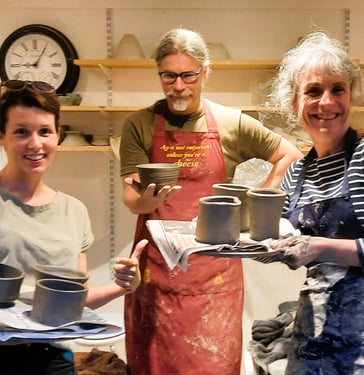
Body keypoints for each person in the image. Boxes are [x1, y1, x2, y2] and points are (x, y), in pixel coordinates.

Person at [119, 28, 302, 375]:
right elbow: (132, 201)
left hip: (214, 278)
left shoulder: (229, 122)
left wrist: (260, 199)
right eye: (168, 75)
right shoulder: (139, 125)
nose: (178, 86)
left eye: (189, 75)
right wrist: (148, 199)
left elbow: (289, 154)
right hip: (157, 272)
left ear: (205, 72)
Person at [0, 79, 148, 375]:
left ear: (58, 136)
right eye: (21, 132)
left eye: (45, 132)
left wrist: (123, 286)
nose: (35, 144)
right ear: (2, 136)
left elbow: (73, 300)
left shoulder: (73, 210)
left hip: (55, 361)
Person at [268, 31, 364, 374]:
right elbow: (282, 239)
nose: (326, 102)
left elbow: (314, 248)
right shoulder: (296, 173)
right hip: (312, 340)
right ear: (294, 103)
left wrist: (319, 248)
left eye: (337, 89)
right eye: (313, 91)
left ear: (351, 96)